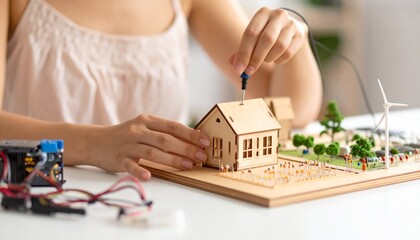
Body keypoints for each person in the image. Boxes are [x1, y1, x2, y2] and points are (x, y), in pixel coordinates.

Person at [0, 0, 322, 181]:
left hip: (163, 219)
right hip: (40, 211)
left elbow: (295, 107)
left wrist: (294, 39)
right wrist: (95, 144)